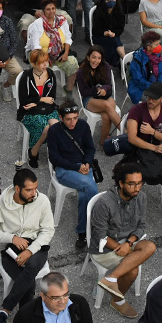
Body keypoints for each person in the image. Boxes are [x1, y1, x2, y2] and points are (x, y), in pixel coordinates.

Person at [0, 168, 56, 323]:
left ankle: (5, 309)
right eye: (29, 190)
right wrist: (12, 238)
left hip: (38, 246)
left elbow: (48, 230)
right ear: (17, 189)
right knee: (28, 281)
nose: (34, 193)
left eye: (35, 188)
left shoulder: (42, 200)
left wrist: (30, 250)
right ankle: (25, 318)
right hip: (11, 248)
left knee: (30, 266)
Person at [88, 159, 158, 318]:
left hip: (127, 241)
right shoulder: (104, 203)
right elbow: (99, 235)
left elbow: (142, 225)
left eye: (140, 183)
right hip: (104, 247)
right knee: (132, 270)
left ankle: (111, 278)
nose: (137, 188)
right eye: (132, 184)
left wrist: (128, 243)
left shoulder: (141, 197)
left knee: (150, 247)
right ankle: (117, 301)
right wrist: (120, 248)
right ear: (121, 183)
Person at [122, 83, 162, 218]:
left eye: (153, 99)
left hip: (156, 153)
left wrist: (153, 132)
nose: (149, 101)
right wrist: (154, 147)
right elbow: (132, 138)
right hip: (136, 151)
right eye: (148, 97)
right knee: (136, 179)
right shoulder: (136, 110)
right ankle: (125, 210)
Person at [42, 104, 98, 246]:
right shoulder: (54, 131)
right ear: (60, 118)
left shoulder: (83, 125)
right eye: (68, 119)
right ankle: (94, 226)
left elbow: (90, 148)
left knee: (86, 192)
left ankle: (83, 232)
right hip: (64, 169)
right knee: (90, 186)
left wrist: (86, 163)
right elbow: (54, 158)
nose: (73, 122)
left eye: (75, 118)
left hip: (83, 167)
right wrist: (77, 167)